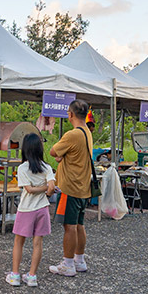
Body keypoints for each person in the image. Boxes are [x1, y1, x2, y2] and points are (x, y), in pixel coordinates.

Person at [49, 99, 94, 277]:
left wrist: (61, 157)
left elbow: (53, 151)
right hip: (83, 186)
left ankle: (68, 264)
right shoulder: (87, 132)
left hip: (70, 187)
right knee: (79, 225)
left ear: (70, 114)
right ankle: (79, 260)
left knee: (69, 226)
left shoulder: (72, 134)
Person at [8, 133, 55, 287]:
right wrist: (47, 190)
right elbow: (51, 187)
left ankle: (15, 275)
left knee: (19, 242)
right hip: (42, 209)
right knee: (38, 243)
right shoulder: (47, 167)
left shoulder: (22, 168)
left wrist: (39, 188)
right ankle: (32, 276)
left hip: (26, 209)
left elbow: (28, 189)